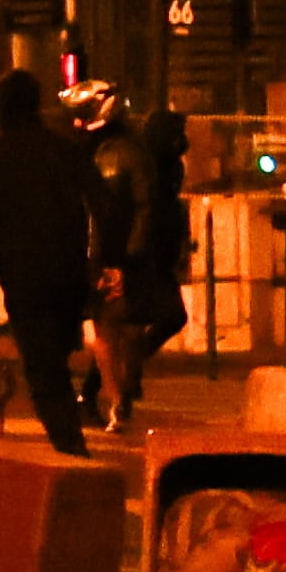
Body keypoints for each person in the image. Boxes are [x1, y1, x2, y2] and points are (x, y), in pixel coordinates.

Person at [0, 68, 103, 455]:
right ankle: (74, 441)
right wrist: (100, 260)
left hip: (24, 279)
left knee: (43, 372)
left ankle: (74, 453)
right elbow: (105, 204)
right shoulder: (66, 150)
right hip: (70, 275)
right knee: (56, 362)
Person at [91, 101, 193, 428]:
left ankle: (118, 387)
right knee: (122, 323)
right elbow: (144, 208)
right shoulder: (144, 162)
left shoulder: (157, 164)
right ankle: (115, 388)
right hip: (142, 253)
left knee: (127, 324)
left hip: (148, 253)